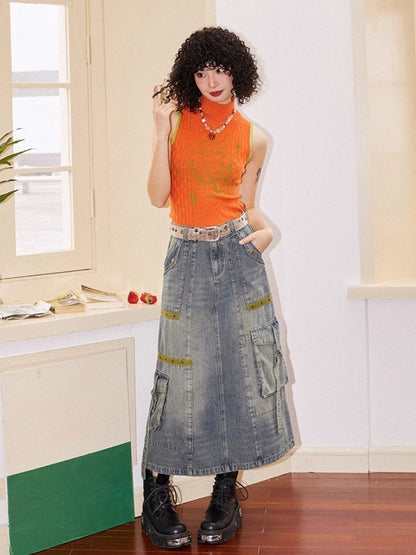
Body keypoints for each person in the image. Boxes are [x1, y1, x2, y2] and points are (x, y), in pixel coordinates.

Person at [141, 26, 294, 549]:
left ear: (237, 71)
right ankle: (156, 492)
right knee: (179, 372)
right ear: (191, 74)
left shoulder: (254, 137)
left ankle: (224, 494)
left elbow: (246, 206)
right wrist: (159, 130)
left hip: (236, 254)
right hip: (185, 255)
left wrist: (266, 234)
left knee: (240, 370)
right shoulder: (177, 121)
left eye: (220, 69)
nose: (211, 80)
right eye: (202, 71)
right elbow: (158, 197)